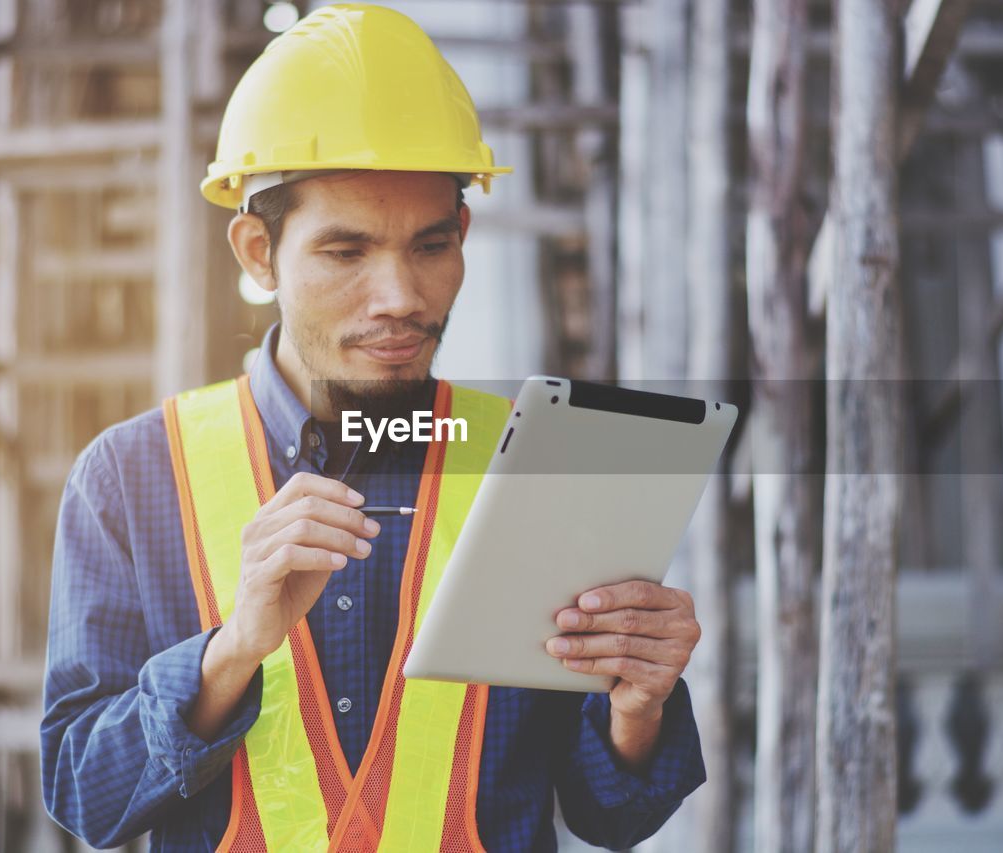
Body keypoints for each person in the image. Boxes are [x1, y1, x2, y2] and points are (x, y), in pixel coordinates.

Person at [41, 5, 705, 851]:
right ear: (256, 252)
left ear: (464, 233)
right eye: (346, 252)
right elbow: (82, 794)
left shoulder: (547, 463)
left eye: (430, 246)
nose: (399, 296)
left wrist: (637, 704)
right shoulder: (129, 478)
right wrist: (233, 650)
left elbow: (614, 812)